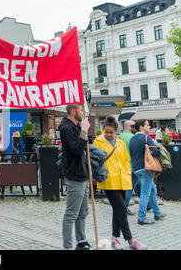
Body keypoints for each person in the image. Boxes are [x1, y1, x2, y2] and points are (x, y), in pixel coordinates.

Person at [93, 116, 146, 250]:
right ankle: (130, 240)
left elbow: (126, 159)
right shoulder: (98, 142)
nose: (109, 135)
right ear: (103, 130)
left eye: (111, 132)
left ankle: (114, 238)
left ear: (116, 130)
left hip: (123, 179)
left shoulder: (120, 141)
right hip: (109, 180)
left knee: (117, 210)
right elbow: (94, 160)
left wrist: (128, 171)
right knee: (122, 210)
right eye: (106, 132)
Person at [59, 104, 93, 250]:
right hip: (74, 174)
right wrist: (84, 130)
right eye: (81, 110)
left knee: (83, 211)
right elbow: (78, 150)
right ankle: (67, 246)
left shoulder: (77, 125)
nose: (83, 113)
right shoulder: (66, 128)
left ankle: (81, 240)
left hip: (83, 173)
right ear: (73, 111)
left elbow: (85, 150)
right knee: (71, 213)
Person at [129, 119, 166, 225]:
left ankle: (157, 212)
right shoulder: (146, 138)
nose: (149, 127)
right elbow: (155, 152)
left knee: (152, 189)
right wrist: (157, 150)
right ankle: (141, 217)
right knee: (145, 193)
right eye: (147, 125)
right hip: (146, 168)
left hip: (136, 168)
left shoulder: (132, 139)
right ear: (141, 127)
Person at [120, 120, 139, 215]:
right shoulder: (132, 137)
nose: (136, 128)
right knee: (129, 189)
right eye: (134, 126)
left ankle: (148, 205)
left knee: (130, 188)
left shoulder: (119, 136)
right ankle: (124, 208)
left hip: (122, 167)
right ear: (129, 126)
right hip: (132, 166)